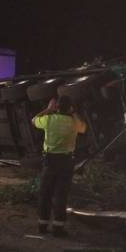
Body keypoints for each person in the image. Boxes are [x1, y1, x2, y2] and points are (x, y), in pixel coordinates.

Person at [32, 96, 86, 237]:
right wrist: (73, 113)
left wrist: (48, 109)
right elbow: (83, 128)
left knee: (45, 193)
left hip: (50, 161)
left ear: (56, 107)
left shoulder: (49, 120)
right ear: (70, 108)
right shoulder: (73, 123)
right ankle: (58, 228)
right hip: (66, 162)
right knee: (61, 195)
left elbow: (34, 120)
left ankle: (42, 226)